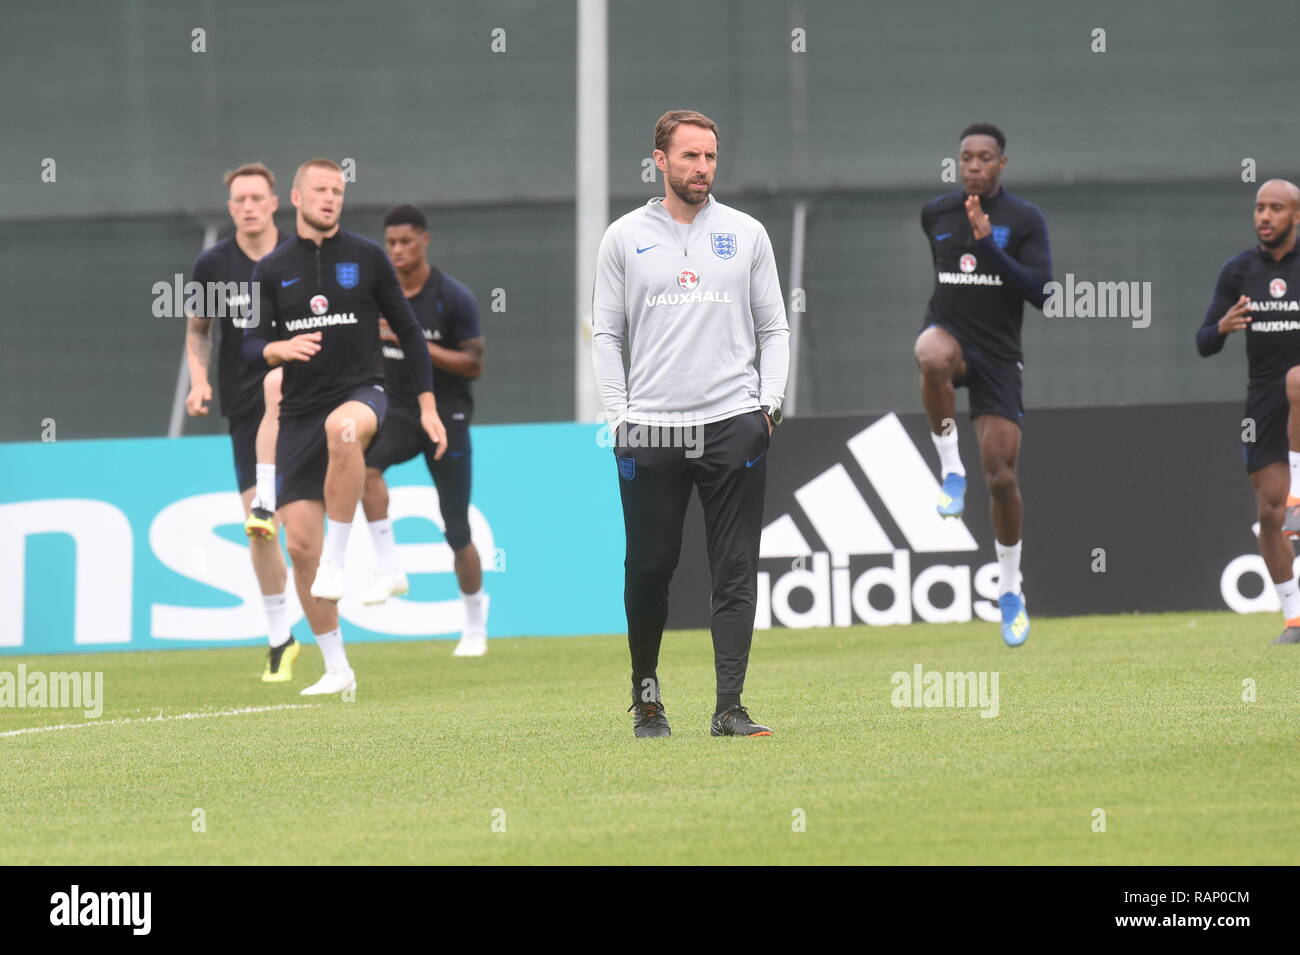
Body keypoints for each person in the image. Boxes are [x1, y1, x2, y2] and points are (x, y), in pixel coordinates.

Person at [591, 109, 790, 738]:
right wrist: (621, 419)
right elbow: (605, 334)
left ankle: (729, 706)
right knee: (651, 568)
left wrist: (770, 407)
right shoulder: (623, 237)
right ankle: (646, 697)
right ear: (660, 160)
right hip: (653, 428)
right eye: (689, 157)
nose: (702, 168)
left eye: (710, 156)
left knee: (734, 567)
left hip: (734, 421)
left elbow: (775, 329)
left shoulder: (747, 233)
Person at [242, 159, 446, 695]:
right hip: (297, 414)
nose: (331, 198)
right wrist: (275, 348)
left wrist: (425, 404)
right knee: (299, 549)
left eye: (338, 190)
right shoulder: (271, 268)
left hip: (362, 395)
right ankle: (337, 669)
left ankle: (341, 558)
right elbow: (247, 344)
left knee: (345, 430)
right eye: (321, 190)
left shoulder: (367, 256)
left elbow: (408, 331)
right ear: (296, 196)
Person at [912, 122, 1052, 647]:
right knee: (930, 355)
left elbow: (1043, 292)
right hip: (950, 338)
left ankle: (1011, 590)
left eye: (984, 158)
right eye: (966, 157)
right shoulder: (936, 213)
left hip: (998, 357)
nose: (974, 166)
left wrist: (985, 245)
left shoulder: (1024, 219)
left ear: (1001, 165)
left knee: (1001, 480)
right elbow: (945, 277)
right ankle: (951, 472)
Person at [360, 204, 489, 657]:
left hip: (448, 414)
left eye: (406, 241)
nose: (397, 250)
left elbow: (473, 363)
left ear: (424, 240)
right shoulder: (378, 296)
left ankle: (474, 624)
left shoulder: (452, 297)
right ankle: (390, 565)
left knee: (456, 528)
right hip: (396, 409)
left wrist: (412, 341)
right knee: (361, 465)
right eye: (390, 242)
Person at [184, 162, 297, 682]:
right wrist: (199, 379)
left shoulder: (302, 255)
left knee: (301, 527)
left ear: (275, 202)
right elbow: (199, 330)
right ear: (230, 208)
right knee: (260, 528)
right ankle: (280, 638)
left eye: (256, 197)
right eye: (238, 200)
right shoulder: (213, 264)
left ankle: (332, 637)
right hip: (245, 409)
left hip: (306, 399)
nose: (248, 206)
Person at [1197, 178, 1300, 645]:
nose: (1265, 216)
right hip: (1262, 401)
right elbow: (1203, 343)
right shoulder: (1238, 271)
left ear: (1295, 216)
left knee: (1298, 380)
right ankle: (1294, 619)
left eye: (1276, 208)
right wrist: (1221, 326)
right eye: (1259, 207)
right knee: (1270, 514)